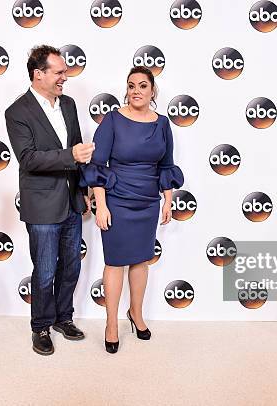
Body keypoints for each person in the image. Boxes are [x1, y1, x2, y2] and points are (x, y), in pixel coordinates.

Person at [80, 66, 184, 353]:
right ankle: (111, 323)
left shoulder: (162, 124)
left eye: (142, 86)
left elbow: (166, 165)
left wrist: (168, 199)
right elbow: (97, 166)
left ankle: (135, 313)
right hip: (117, 199)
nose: (135, 91)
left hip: (148, 200)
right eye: (131, 86)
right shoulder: (112, 120)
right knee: (115, 262)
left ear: (153, 91)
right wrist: (100, 205)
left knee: (140, 260)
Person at [5, 45, 95, 356]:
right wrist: (70, 155)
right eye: (58, 72)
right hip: (42, 205)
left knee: (70, 266)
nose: (64, 77)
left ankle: (63, 318)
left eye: (65, 71)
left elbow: (78, 149)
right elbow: (28, 159)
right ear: (38, 74)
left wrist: (84, 191)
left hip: (71, 201)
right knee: (44, 270)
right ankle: (40, 326)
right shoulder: (16, 112)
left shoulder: (68, 104)